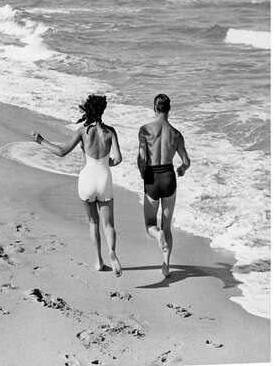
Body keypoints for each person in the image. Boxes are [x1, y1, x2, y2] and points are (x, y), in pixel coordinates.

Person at [31, 94, 122, 277]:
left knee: (93, 222)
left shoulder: (83, 131)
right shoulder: (110, 131)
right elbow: (118, 159)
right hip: (104, 179)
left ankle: (98, 261)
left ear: (88, 110)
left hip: (87, 179)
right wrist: (105, 163)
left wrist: (41, 140)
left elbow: (62, 152)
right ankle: (111, 251)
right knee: (108, 224)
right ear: (102, 111)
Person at [137, 94, 190, 278]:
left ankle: (157, 234)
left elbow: (143, 157)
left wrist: (142, 171)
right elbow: (186, 161)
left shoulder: (144, 130)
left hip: (152, 178)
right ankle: (166, 265)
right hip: (169, 177)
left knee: (150, 225)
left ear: (154, 108)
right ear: (169, 109)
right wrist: (182, 169)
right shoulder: (176, 134)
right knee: (167, 227)